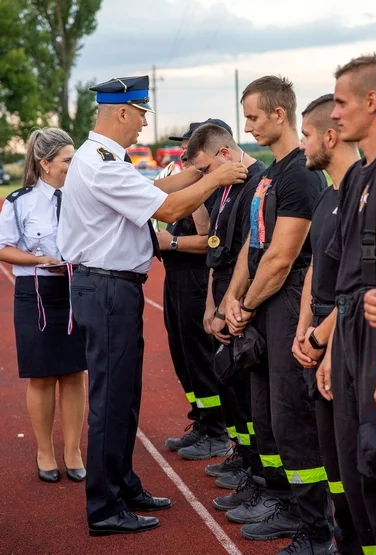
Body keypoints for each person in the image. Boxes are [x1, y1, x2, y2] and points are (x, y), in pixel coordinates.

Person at [57, 75, 248, 536]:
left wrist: (202, 172)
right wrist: (218, 176)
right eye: (142, 114)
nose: (144, 124)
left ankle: (122, 483)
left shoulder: (105, 158)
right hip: (106, 289)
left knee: (125, 396)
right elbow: (165, 209)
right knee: (111, 399)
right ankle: (105, 508)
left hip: (112, 288)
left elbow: (159, 189)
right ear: (122, 112)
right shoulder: (102, 163)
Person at [224, 76, 333, 554]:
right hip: (264, 303)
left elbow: (282, 256)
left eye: (252, 117)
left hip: (287, 301)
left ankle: (315, 524)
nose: (246, 127)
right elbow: (254, 241)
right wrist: (232, 296)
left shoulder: (302, 174)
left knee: (293, 415)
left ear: (278, 115)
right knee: (267, 408)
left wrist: (244, 307)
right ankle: (281, 499)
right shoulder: (271, 172)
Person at [322, 54, 376, 555]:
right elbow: (345, 281)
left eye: (342, 102)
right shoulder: (355, 178)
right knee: (353, 469)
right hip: (350, 338)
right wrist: (328, 346)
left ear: (372, 101)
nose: (334, 114)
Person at [292, 94, 361, 554]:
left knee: (355, 459)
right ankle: (339, 540)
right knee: (331, 456)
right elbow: (316, 268)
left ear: (330, 137)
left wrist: (324, 340)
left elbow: (358, 285)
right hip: (316, 332)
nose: (302, 146)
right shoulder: (328, 195)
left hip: (345, 337)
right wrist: (302, 328)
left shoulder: (364, 194)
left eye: (307, 135)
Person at [0, 128, 87, 484]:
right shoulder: (19, 202)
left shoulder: (82, 197)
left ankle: (73, 450)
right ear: (46, 163)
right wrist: (38, 261)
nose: (73, 165)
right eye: (68, 160)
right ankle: (45, 450)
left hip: (76, 291)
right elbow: (3, 247)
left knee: (73, 373)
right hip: (35, 293)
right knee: (41, 375)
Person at [185, 123, 266, 497]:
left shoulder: (258, 183)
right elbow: (217, 248)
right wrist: (210, 301)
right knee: (229, 385)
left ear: (224, 155)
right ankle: (244, 455)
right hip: (220, 298)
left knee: (251, 394)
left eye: (204, 169)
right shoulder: (223, 185)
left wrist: (230, 305)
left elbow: (253, 256)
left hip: (243, 303)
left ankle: (259, 471)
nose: (202, 177)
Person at [160, 120, 233, 460]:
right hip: (175, 279)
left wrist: (172, 241)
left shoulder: (215, 186)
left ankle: (216, 430)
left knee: (201, 359)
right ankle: (201, 420)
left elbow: (210, 239)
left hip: (195, 278)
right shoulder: (189, 179)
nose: (186, 154)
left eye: (191, 147)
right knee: (183, 356)